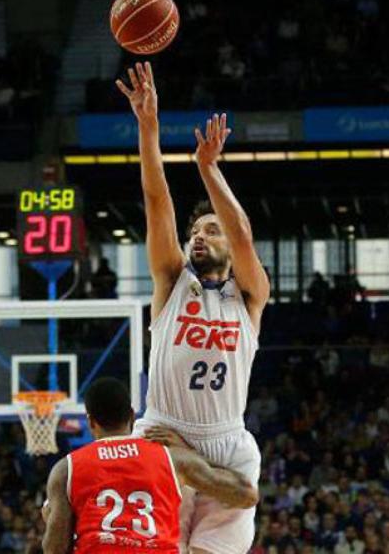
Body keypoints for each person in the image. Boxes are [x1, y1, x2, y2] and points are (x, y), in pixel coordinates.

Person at [116, 61, 270, 554]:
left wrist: (209, 169)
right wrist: (149, 127)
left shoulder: (250, 297)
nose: (197, 236)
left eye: (210, 230)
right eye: (194, 232)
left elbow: (243, 235)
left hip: (227, 444)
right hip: (163, 432)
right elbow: (156, 198)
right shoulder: (171, 280)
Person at [42, 378, 258, 553]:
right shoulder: (171, 458)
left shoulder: (66, 469)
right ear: (132, 416)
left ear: (90, 422)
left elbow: (55, 549)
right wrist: (191, 452)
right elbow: (246, 495)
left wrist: (55, 520)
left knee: (50, 512)